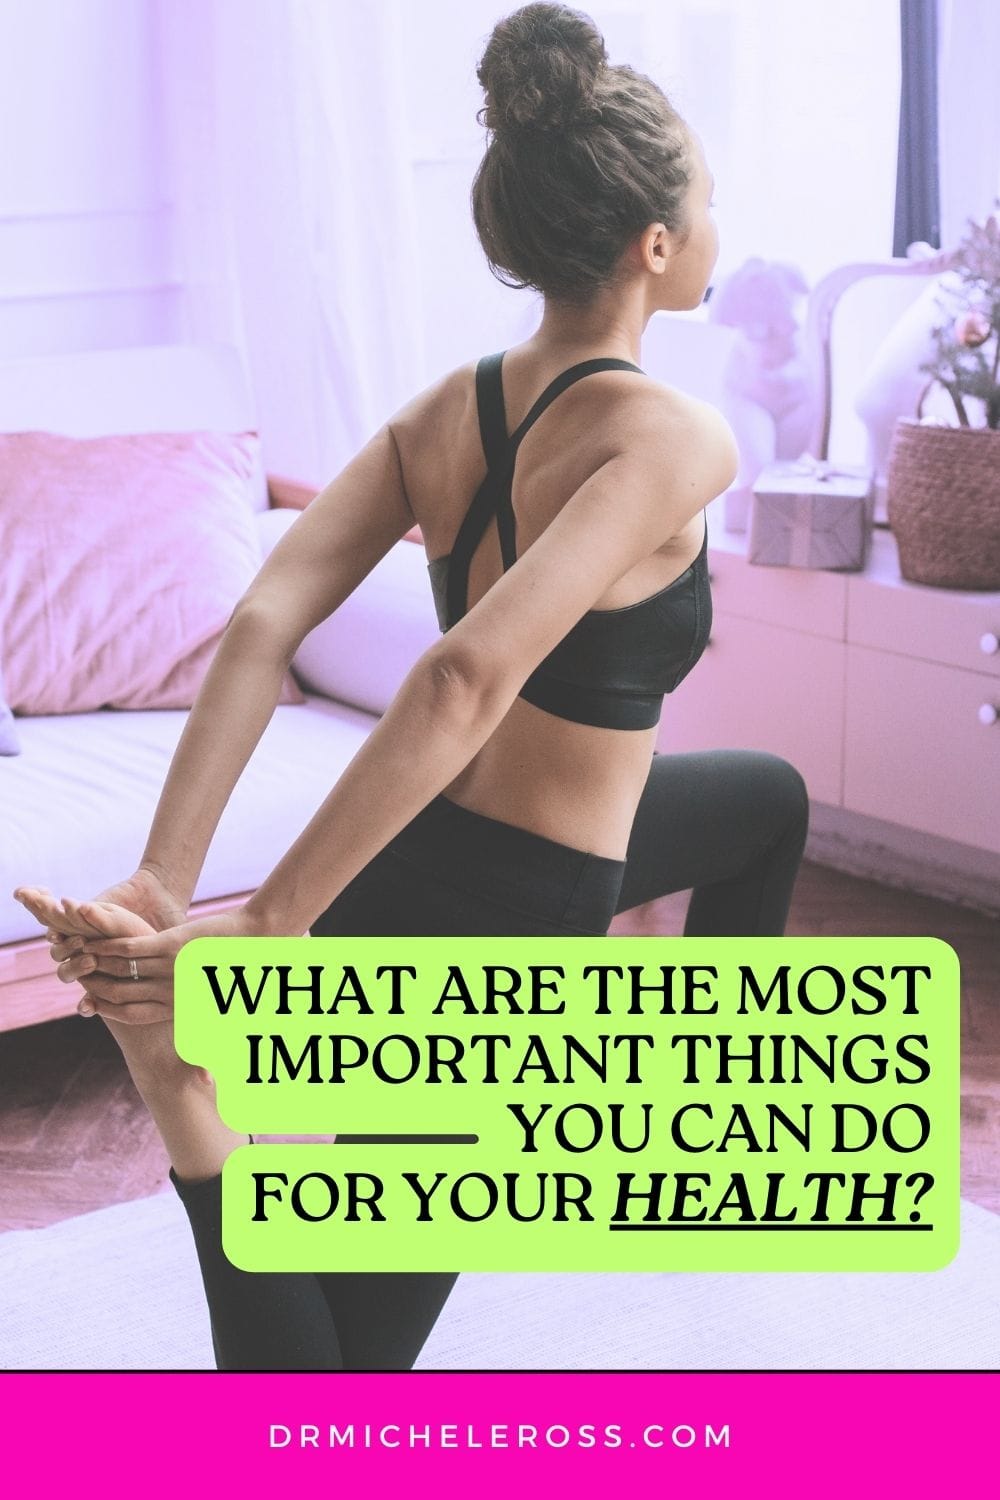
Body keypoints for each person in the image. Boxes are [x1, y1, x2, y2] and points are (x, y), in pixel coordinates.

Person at [14, 1, 808, 1371]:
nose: (722, 226)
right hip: (516, 926)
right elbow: (461, 677)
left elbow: (262, 617)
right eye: (712, 203)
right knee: (343, 1378)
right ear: (655, 243)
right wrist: (262, 920)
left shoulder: (450, 407)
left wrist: (164, 876)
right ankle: (186, 1110)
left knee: (765, 805)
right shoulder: (676, 438)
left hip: (422, 866)